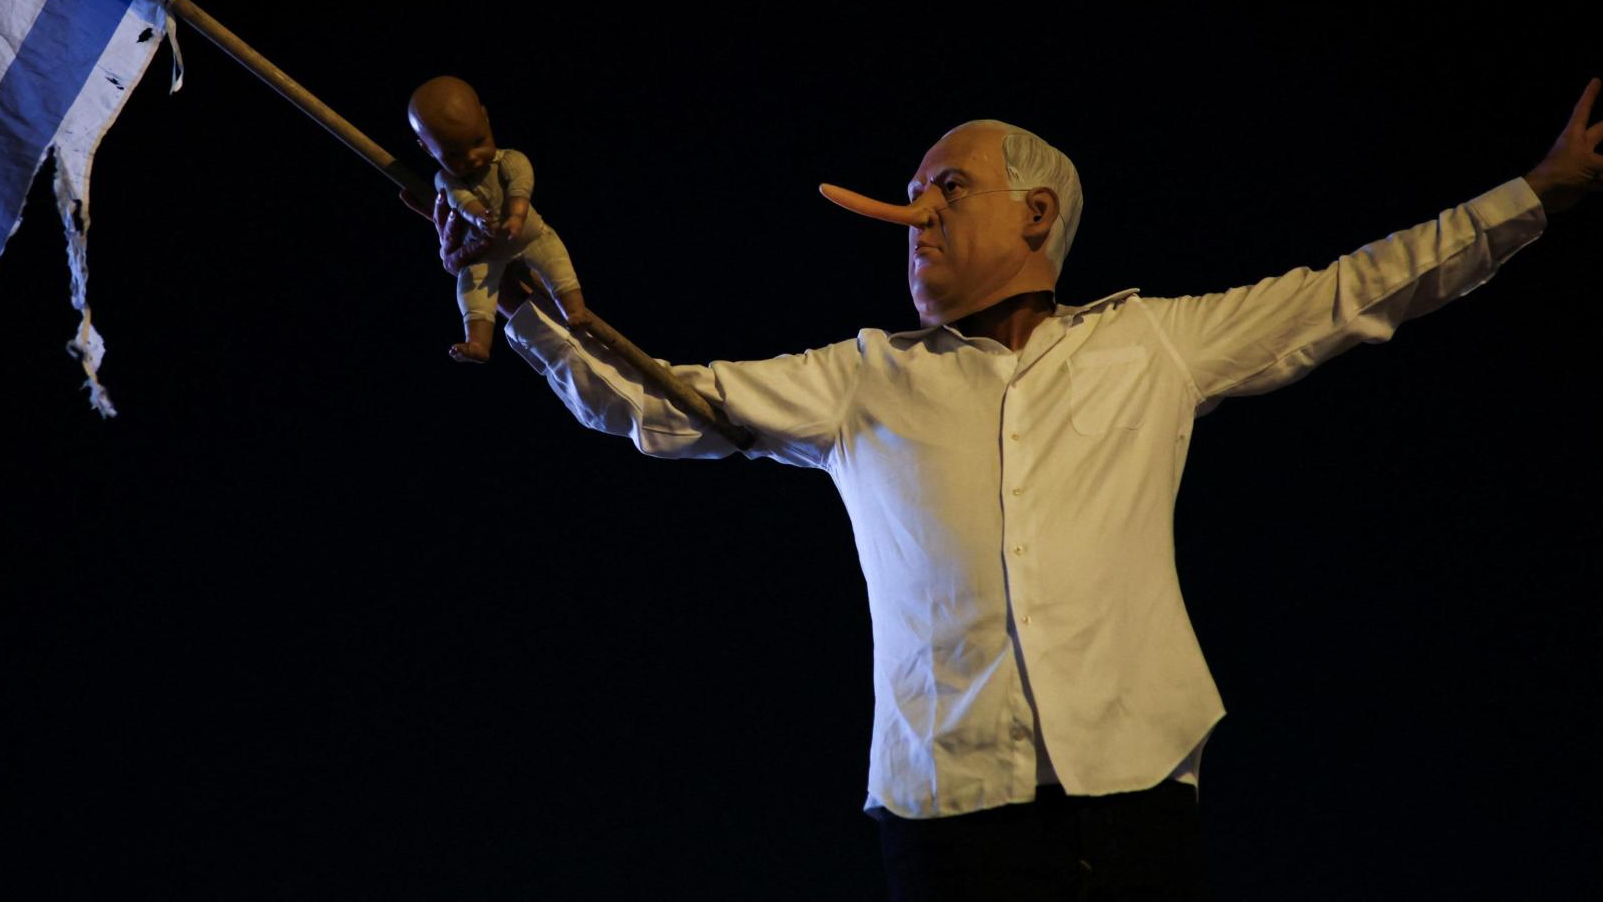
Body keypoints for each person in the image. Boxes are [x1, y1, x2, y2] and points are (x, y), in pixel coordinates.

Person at [418, 81, 1602, 900]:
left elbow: (1360, 288)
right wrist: (519, 295)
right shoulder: (862, 380)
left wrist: (1533, 194)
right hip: (948, 820)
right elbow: (648, 399)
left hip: (1135, 798)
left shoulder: (1150, 345)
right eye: (911, 192)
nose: (916, 212)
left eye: (947, 186)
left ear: (1035, 212)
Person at [405, 76, 590, 363]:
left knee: (556, 263)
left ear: (485, 118)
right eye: (454, 155)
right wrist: (477, 217)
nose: (472, 158)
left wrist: (516, 216)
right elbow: (459, 200)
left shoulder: (508, 160)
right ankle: (477, 341)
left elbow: (520, 186)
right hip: (485, 252)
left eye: (478, 142)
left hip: (529, 235)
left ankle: (575, 310)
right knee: (472, 287)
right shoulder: (445, 179)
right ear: (428, 149)